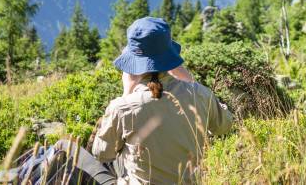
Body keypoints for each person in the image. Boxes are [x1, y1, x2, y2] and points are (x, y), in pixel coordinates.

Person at [55, 17, 233, 184]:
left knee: (64, 146)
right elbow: (224, 125)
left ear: (134, 64)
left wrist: (126, 94)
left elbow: (102, 153)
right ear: (169, 58)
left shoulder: (123, 107)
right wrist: (192, 83)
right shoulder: (200, 94)